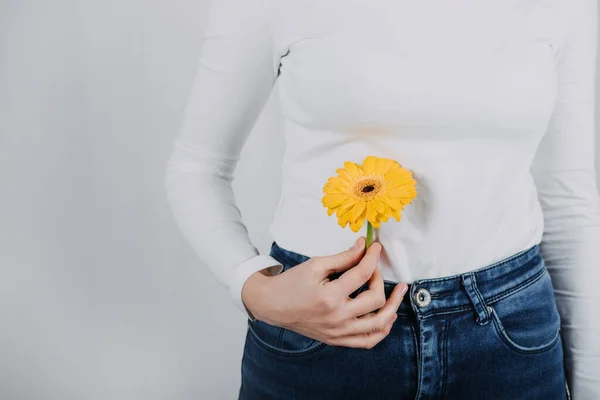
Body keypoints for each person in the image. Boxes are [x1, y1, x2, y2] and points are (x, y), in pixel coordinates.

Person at [164, 0, 600, 398]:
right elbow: (198, 167)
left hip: (510, 337)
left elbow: (569, 200)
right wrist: (257, 291)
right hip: (320, 333)